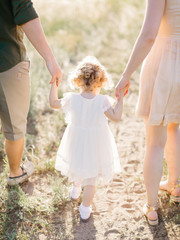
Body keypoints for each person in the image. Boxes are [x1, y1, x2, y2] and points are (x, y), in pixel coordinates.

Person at [115, 0, 180, 226]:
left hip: (164, 62)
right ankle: (174, 183)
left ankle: (151, 206)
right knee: (175, 126)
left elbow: (149, 35)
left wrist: (125, 75)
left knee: (155, 142)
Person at [49, 56, 123, 221]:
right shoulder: (102, 101)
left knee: (77, 164)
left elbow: (53, 102)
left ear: (77, 80)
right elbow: (116, 116)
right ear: (101, 81)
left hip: (76, 140)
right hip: (96, 142)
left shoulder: (71, 99)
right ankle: (85, 208)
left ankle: (75, 190)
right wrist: (121, 99)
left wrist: (54, 83)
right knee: (91, 178)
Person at [0, 0, 62, 186]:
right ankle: (15, 173)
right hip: (8, 61)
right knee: (14, 126)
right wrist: (50, 59)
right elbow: (25, 13)